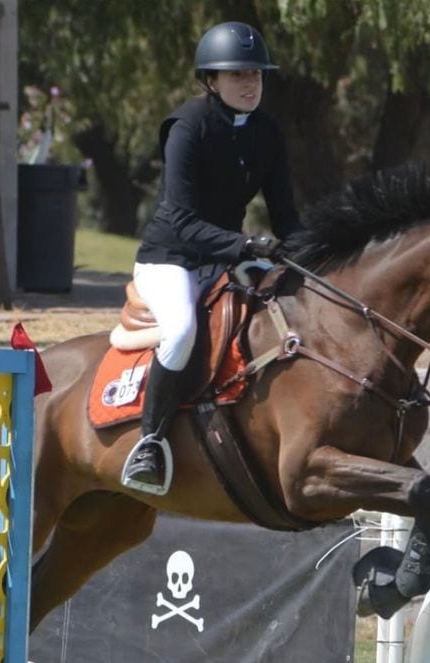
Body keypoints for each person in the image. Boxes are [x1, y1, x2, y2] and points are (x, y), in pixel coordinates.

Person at [121, 20, 303, 495]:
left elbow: (287, 219)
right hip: (170, 260)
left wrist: (316, 258)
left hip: (222, 257)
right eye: (238, 75)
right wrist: (244, 246)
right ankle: (150, 443)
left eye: (256, 75)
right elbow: (180, 220)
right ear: (212, 80)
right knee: (181, 331)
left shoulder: (267, 132)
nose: (250, 84)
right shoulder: (188, 127)